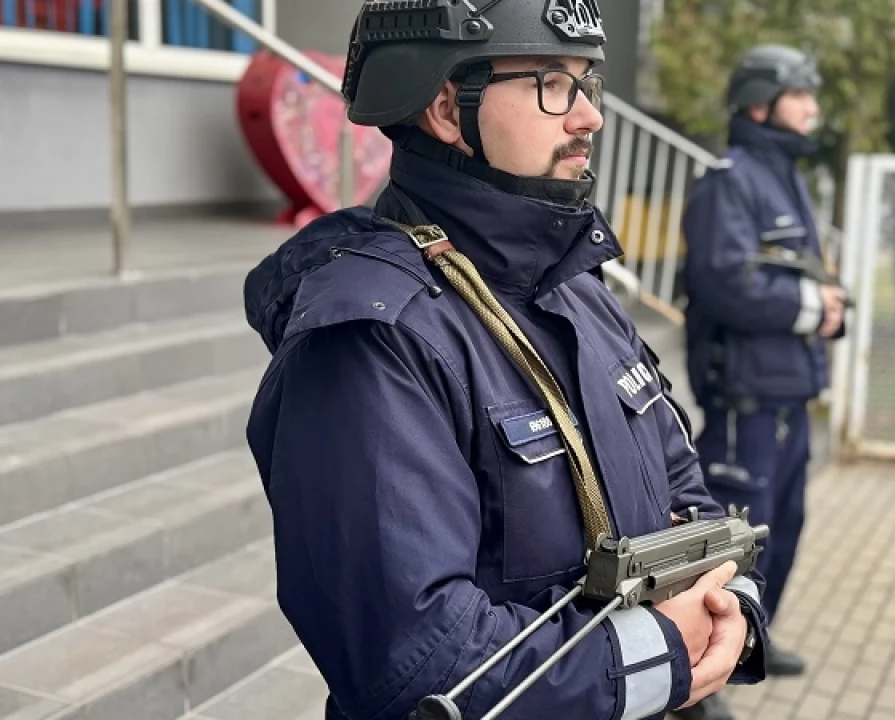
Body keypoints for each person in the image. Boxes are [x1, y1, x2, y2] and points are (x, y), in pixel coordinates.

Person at [240, 2, 768, 719]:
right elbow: (413, 663)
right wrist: (661, 659)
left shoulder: (577, 285)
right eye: (553, 83)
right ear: (446, 107)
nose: (589, 118)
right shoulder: (372, 337)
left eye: (588, 83)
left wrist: (731, 603)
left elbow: (683, 487)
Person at [675, 44, 846, 720]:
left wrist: (828, 304)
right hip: (745, 403)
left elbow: (788, 268)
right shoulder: (730, 178)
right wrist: (811, 308)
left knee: (787, 527)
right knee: (734, 541)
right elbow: (725, 282)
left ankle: (754, 639)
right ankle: (701, 681)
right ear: (759, 102)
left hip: (788, 396)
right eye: (800, 93)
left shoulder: (787, 174)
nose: (813, 107)